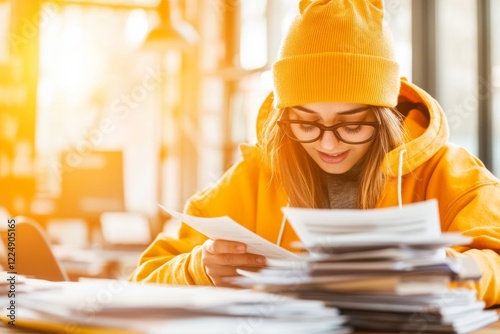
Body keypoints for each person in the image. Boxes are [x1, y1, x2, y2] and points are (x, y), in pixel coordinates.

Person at [130, 0, 500, 307]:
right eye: (306, 124)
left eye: (351, 125)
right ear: (284, 117)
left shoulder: (452, 174)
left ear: (385, 117)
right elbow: (143, 278)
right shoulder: (255, 175)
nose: (327, 144)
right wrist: (199, 268)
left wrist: (448, 270)